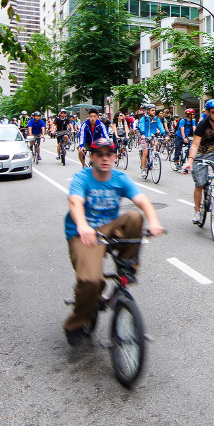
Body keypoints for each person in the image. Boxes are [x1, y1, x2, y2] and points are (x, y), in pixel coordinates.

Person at [62, 137, 165, 345]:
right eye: (99, 154)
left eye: (108, 154)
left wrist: (154, 223)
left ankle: (127, 267)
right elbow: (75, 201)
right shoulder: (82, 177)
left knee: (135, 217)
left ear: (115, 157)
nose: (104, 158)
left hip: (109, 229)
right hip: (83, 232)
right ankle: (75, 324)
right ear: (91, 157)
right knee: (91, 281)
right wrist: (83, 226)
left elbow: (142, 201)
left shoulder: (120, 178)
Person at [137, 105, 166, 178]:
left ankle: (155, 156)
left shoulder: (156, 119)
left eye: (154, 110)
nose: (154, 112)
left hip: (153, 136)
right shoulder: (144, 119)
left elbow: (160, 126)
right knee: (145, 152)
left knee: (155, 143)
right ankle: (143, 169)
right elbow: (141, 126)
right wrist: (143, 134)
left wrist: (165, 135)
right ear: (148, 111)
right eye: (152, 110)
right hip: (145, 136)